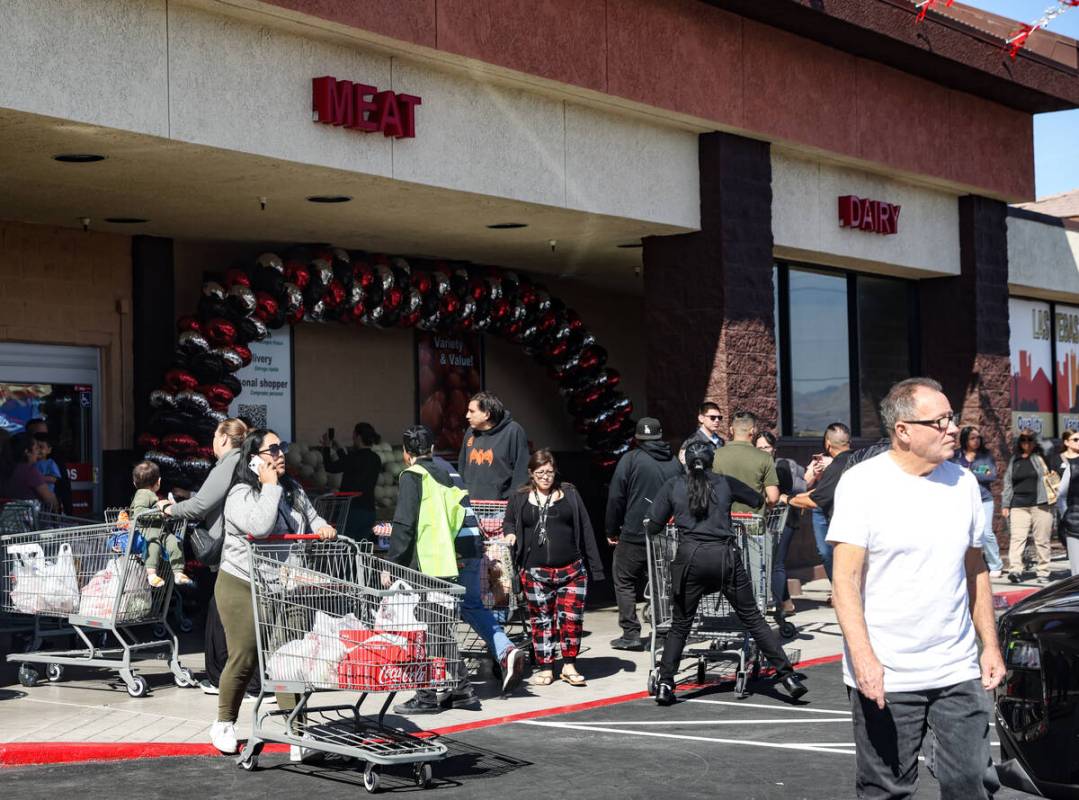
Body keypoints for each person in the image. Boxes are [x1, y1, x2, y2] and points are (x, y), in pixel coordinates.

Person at [828, 377, 1004, 800]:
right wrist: (864, 658)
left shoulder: (963, 483)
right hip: (888, 673)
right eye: (940, 420)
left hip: (956, 668)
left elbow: (975, 569)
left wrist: (990, 645)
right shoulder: (862, 484)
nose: (952, 428)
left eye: (952, 418)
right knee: (887, 789)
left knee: (971, 783)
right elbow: (844, 581)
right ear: (903, 430)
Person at [646, 440, 807, 706]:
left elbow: (653, 526)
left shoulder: (673, 485)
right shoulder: (724, 483)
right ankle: (788, 677)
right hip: (724, 558)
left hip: (689, 562)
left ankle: (665, 683)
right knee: (754, 620)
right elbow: (757, 499)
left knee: (680, 624)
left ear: (686, 462)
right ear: (712, 461)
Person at [209, 429, 335, 759]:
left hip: (287, 581)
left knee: (290, 658)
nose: (281, 454)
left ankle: (298, 733)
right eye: (273, 449)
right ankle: (224, 722)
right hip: (242, 582)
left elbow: (310, 516)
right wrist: (268, 486)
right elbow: (261, 526)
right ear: (254, 458)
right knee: (246, 654)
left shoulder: (292, 488)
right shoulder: (239, 493)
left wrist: (321, 526)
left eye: (283, 447)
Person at [387, 425, 525, 715]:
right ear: (433, 449)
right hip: (451, 558)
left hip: (429, 561)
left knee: (421, 628)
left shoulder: (414, 476)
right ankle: (461, 690)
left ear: (405, 453)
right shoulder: (446, 472)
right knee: (436, 626)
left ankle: (427, 695)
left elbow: (404, 523)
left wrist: (394, 562)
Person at [505, 449, 605, 687]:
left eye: (550, 472)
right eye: (540, 473)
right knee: (541, 621)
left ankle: (569, 665)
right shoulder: (519, 497)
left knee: (571, 618)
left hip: (572, 570)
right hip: (535, 572)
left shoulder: (569, 493)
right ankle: (546, 667)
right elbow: (509, 520)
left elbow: (586, 528)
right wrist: (510, 533)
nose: (546, 477)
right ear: (531, 473)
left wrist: (596, 567)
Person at [162, 417, 248, 695]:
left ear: (223, 438)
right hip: (240, 547)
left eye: (214, 436)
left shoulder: (229, 462)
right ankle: (230, 675)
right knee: (224, 610)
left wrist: (170, 510)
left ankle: (224, 676)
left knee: (220, 610)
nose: (212, 442)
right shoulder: (243, 462)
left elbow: (201, 505)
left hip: (229, 548)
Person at [605, 417, 683, 651]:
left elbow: (616, 497)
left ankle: (631, 633)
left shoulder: (630, 460)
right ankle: (662, 632)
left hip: (635, 532)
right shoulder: (674, 462)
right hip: (667, 532)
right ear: (660, 436)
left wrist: (611, 529)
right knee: (661, 582)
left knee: (624, 579)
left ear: (637, 438)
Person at [789, 422, 852, 586]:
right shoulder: (824, 459)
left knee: (842, 553)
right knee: (825, 553)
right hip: (821, 508)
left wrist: (788, 499)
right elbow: (814, 490)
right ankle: (838, 588)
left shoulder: (850, 461)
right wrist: (814, 472)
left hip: (836, 511)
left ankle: (842, 590)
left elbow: (814, 499)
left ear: (828, 442)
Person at [756, 431, 805, 615]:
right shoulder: (758, 466)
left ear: (773, 449)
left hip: (784, 520)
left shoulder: (781, 466)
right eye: (759, 447)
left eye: (766, 447)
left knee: (777, 562)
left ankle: (784, 604)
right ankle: (784, 601)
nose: (763, 451)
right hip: (767, 521)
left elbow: (780, 494)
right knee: (770, 561)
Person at [1002, 428, 1055, 584]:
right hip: (1018, 504)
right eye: (1023, 440)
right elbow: (1008, 483)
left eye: (1029, 440)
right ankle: (1015, 570)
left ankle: (1043, 572)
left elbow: (1049, 445)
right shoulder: (1015, 460)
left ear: (1034, 442)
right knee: (1017, 538)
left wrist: (1035, 435)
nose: (1026, 443)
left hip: (1041, 504)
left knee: (1042, 539)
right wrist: (1006, 504)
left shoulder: (1041, 457)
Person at [458, 391, 530, 501]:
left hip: (501, 507)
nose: (467, 415)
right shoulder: (470, 432)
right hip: (471, 504)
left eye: (472, 411)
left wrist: (512, 502)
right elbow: (462, 465)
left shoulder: (513, 431)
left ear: (486, 414)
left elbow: (522, 472)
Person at [130, 460, 191, 588]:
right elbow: (139, 512)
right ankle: (151, 574)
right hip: (148, 531)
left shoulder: (150, 495)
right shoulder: (143, 494)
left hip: (160, 530)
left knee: (174, 542)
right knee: (154, 545)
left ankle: (178, 573)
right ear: (158, 482)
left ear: (135, 483)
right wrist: (160, 514)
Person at [953, 426, 1003, 577]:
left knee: (986, 532)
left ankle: (995, 564)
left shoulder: (985, 456)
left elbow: (991, 475)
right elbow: (951, 474)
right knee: (964, 533)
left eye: (978, 438)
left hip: (984, 499)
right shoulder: (956, 456)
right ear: (965, 440)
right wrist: (980, 472)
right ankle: (965, 564)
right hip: (962, 500)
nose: (976, 441)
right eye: (972, 438)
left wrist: (969, 473)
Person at [321, 421, 382, 542]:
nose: (352, 439)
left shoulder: (353, 458)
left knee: (348, 548)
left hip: (352, 511)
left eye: (353, 436)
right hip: (369, 510)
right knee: (363, 547)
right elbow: (349, 463)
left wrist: (326, 448)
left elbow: (331, 467)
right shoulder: (376, 458)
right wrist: (339, 449)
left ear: (358, 437)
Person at [711, 410, 779, 514]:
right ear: (753, 430)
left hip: (723, 522)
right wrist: (762, 506)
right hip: (753, 522)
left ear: (731, 430)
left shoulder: (715, 455)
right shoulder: (765, 457)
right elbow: (773, 498)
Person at [0, 432, 59, 512]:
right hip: (24, 521)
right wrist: (54, 500)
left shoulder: (4, 468)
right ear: (27, 452)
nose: (38, 452)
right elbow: (48, 498)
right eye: (36, 448)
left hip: (5, 520)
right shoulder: (30, 471)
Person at [26, 418, 72, 514]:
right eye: (38, 435)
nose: (38, 450)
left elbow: (60, 482)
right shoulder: (27, 461)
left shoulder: (53, 461)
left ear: (49, 449)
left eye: (45, 435)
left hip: (50, 500)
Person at [1055, 429, 1079, 575]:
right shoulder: (1073, 466)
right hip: (1075, 524)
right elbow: (1061, 495)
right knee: (1077, 573)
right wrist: (1066, 514)